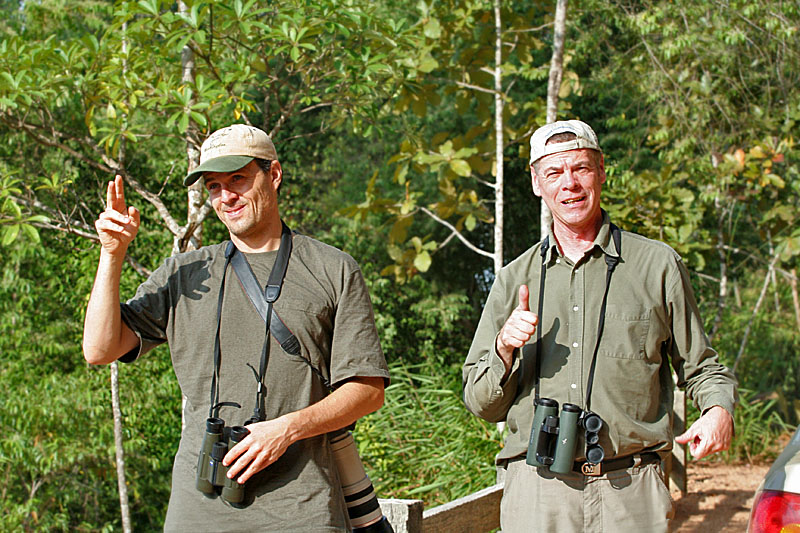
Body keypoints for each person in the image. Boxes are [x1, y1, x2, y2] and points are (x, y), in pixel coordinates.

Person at [83, 124, 390, 531]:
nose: (226, 196)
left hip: (301, 510)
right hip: (198, 510)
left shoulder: (331, 269)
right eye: (213, 186)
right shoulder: (184, 274)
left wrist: (287, 429)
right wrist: (112, 254)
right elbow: (99, 349)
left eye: (237, 179)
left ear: (274, 175)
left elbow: (367, 391)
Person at [462, 120, 737, 532]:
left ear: (602, 171)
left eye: (581, 169)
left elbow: (702, 367)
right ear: (537, 182)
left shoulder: (658, 265)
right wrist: (503, 347)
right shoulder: (512, 279)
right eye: (554, 173)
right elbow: (481, 402)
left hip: (634, 492)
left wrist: (718, 410)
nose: (569, 184)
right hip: (538, 493)